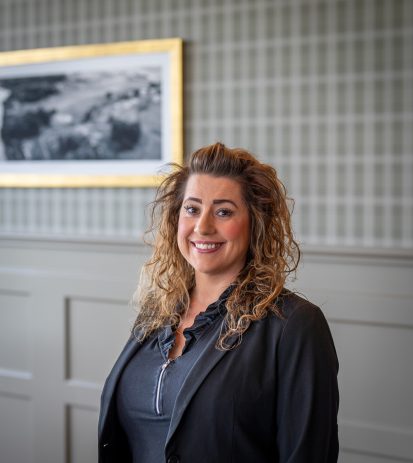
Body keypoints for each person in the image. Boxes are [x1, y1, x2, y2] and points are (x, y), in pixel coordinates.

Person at [98, 142, 339, 463]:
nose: (203, 226)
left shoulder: (294, 325)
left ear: (255, 223)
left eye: (224, 211)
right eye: (192, 209)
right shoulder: (156, 312)